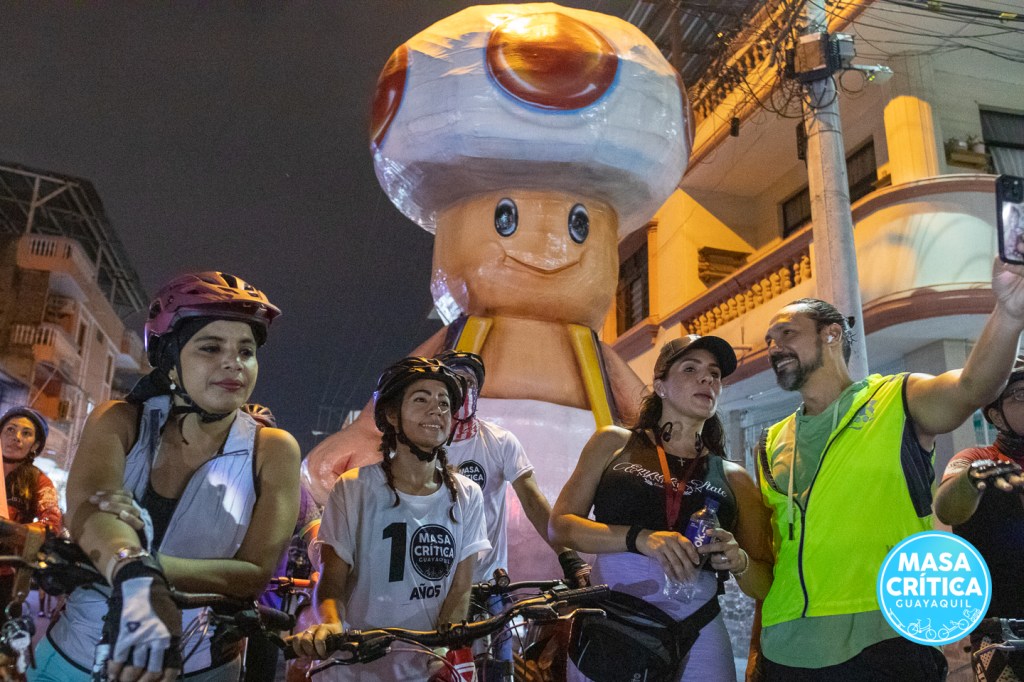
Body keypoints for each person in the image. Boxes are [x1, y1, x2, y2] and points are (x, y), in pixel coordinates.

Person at [29, 271, 301, 682]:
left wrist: (135, 567)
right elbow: (90, 509)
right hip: (75, 660)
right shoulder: (120, 420)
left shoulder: (273, 448)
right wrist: (135, 566)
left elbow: (253, 573)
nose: (234, 362)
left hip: (202, 668)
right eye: (210, 347)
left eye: (246, 351)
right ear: (171, 358)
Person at [757, 276, 1024, 680]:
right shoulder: (771, 440)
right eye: (769, 341)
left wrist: (1009, 312)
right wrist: (759, 647)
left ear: (832, 334)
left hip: (888, 642)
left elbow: (972, 386)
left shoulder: (897, 398)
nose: (774, 347)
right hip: (786, 650)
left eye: (787, 333)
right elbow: (777, 553)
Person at [552, 335, 774, 681]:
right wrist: (641, 538)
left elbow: (766, 585)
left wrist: (740, 560)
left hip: (698, 629)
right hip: (614, 626)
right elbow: (561, 526)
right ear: (660, 386)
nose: (707, 379)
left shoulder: (734, 476)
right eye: (691, 369)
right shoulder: (613, 443)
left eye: (715, 374)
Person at [289, 356, 490, 681]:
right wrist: (330, 624)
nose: (437, 410)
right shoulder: (354, 488)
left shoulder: (467, 495)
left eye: (444, 403)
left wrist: (441, 649)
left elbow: (460, 588)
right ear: (392, 415)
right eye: (421, 400)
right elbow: (332, 581)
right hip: (353, 668)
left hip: (421, 669)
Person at [435, 350, 589, 674]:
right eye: (453, 381)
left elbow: (532, 501)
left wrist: (569, 557)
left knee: (498, 670)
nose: (462, 389)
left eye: (470, 382)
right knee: (439, 669)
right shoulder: (421, 445)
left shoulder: (499, 441)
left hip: (488, 585)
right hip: (432, 586)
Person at [934, 358, 1024, 682]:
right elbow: (946, 508)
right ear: (996, 415)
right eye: (1021, 395)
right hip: (1001, 633)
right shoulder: (974, 459)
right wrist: (972, 480)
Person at [1, 406, 63, 534]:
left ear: (35, 445)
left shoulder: (39, 481)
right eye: (10, 429)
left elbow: (52, 523)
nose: (16, 437)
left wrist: (14, 531)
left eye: (26, 433)